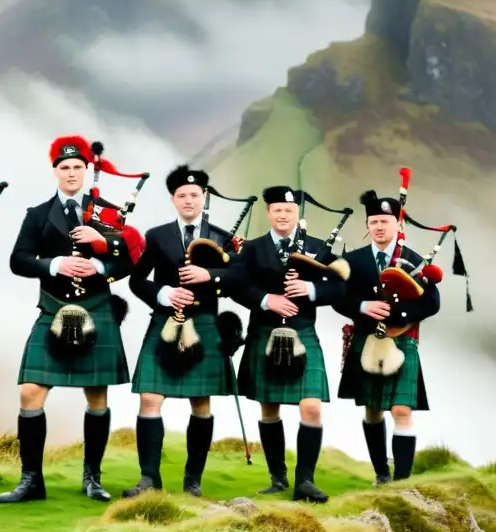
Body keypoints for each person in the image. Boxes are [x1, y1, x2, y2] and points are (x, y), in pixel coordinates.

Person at [0, 135, 143, 504]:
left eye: (78, 167)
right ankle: (31, 480)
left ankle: (92, 477)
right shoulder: (37, 215)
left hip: (96, 307)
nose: (72, 173)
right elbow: (18, 260)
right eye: (65, 167)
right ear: (55, 172)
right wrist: (56, 264)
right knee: (31, 391)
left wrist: (98, 263)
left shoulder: (109, 213)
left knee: (96, 395)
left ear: (87, 170)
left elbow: (129, 260)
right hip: (52, 307)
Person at [123, 164, 243, 498]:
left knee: (201, 401)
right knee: (150, 397)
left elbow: (239, 279)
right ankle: (149, 479)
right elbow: (137, 280)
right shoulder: (158, 236)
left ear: (203, 197)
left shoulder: (222, 238)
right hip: (166, 321)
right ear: (173, 199)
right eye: (182, 195)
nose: (188, 200)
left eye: (194, 194)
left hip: (203, 322)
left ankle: (193, 480)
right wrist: (164, 294)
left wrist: (211, 276)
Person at [224, 186, 348, 503]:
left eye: (289, 211)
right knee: (269, 407)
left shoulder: (318, 249)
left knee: (311, 407)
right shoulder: (252, 249)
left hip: (303, 332)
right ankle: (277, 478)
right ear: (269, 213)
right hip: (264, 330)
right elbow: (236, 285)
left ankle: (304, 481)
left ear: (297, 215)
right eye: (278, 210)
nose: (283, 215)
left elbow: (340, 288)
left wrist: (310, 290)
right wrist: (268, 300)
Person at [334, 188, 442, 485]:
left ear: (398, 224)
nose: (380, 226)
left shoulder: (414, 260)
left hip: (402, 340)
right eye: (374, 222)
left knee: (401, 409)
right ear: (367, 226)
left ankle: (402, 481)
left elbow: (432, 303)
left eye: (386, 221)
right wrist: (363, 307)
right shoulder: (353, 260)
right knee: (372, 410)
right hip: (366, 339)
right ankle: (382, 473)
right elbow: (337, 298)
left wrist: (398, 317)